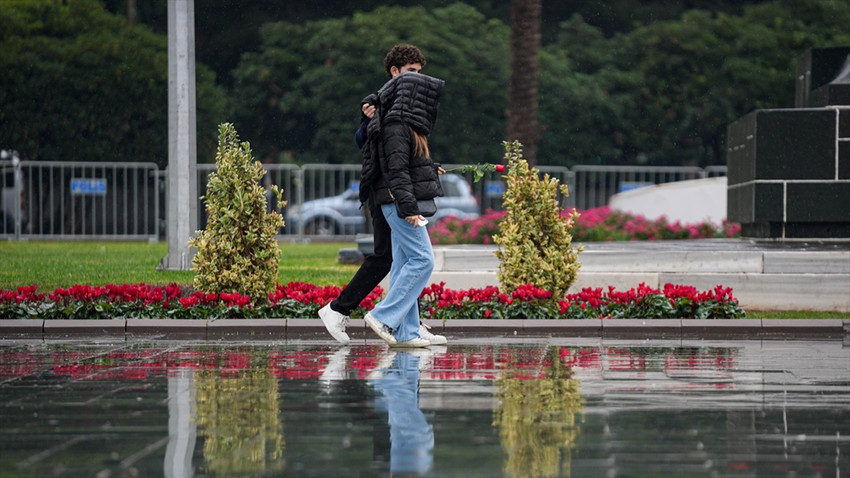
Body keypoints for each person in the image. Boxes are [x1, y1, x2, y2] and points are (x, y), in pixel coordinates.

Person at [319, 45, 446, 346]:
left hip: (392, 192)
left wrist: (429, 167)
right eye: (411, 72)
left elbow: (405, 158)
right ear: (395, 72)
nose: (418, 78)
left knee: (397, 258)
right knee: (402, 258)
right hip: (388, 193)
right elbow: (374, 148)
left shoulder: (401, 110)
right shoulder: (384, 107)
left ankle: (405, 328)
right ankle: (371, 315)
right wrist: (368, 117)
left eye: (420, 71)